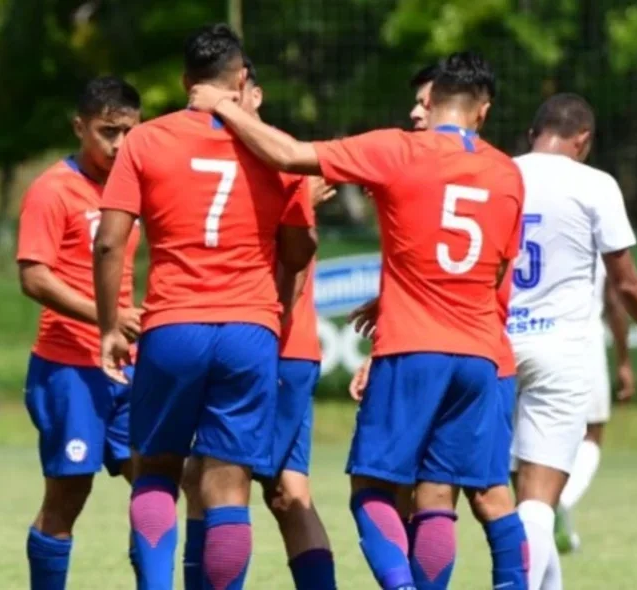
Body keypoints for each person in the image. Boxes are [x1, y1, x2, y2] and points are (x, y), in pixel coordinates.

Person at [191, 51, 529, 590]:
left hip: (414, 346)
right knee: (441, 493)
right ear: (482, 112)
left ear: (431, 102)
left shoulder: (396, 149)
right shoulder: (507, 172)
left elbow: (289, 153)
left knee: (372, 491)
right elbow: (494, 270)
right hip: (482, 352)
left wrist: (225, 109)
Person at [93, 24, 317, 590]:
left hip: (173, 324)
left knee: (156, 469)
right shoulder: (276, 148)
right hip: (250, 328)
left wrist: (107, 329)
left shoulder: (146, 140)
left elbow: (110, 241)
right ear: (241, 81)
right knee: (229, 485)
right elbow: (297, 250)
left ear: (185, 81)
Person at [346, 61, 527, 590]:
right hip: (473, 352)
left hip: (466, 352)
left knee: (484, 495)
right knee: (434, 494)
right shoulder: (492, 175)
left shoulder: (430, 164)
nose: (415, 112)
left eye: (424, 102)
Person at [508, 93, 637, 589]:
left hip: (496, 343)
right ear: (583, 139)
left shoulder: (498, 171)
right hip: (560, 350)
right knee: (539, 501)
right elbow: (625, 283)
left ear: (532, 134)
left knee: (516, 496)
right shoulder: (594, 184)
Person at [178, 57, 338, 590]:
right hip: (272, 348)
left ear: (254, 96)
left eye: (233, 95)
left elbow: (289, 272)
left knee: (218, 480)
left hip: (277, 347)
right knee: (287, 492)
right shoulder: (225, 165)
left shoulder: (280, 164)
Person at [14, 75, 143, 590]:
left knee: (154, 486)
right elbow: (33, 277)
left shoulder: (135, 185)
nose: (119, 145)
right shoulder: (52, 189)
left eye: (130, 132)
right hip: (69, 368)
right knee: (68, 496)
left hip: (128, 367)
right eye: (108, 131)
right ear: (79, 127)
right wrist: (108, 318)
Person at [554, 262, 635, 553]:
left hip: (531, 337)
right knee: (591, 434)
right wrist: (624, 361)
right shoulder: (591, 219)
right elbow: (615, 298)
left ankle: (545, 513)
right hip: (583, 342)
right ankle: (557, 502)